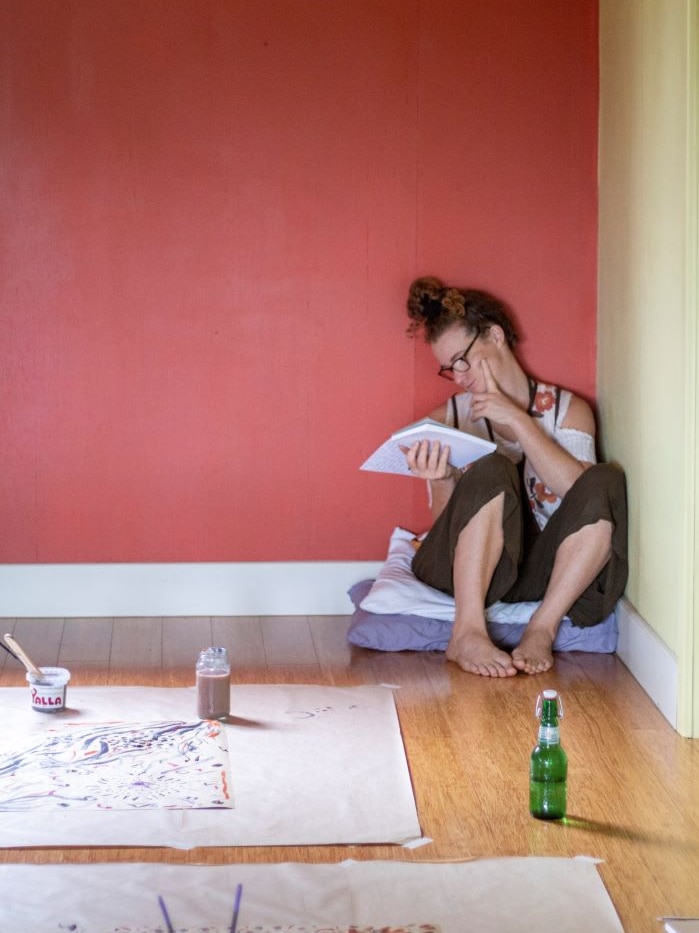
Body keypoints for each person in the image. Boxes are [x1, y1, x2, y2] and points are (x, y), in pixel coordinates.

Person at [403, 277, 628, 677]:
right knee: (493, 467)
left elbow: (585, 500)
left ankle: (542, 626)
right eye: (449, 367)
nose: (460, 375)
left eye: (464, 359)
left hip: (543, 570)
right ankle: (466, 632)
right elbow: (445, 530)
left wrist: (518, 421)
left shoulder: (567, 411)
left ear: (495, 335)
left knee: (605, 480)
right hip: (472, 572)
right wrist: (440, 481)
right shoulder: (446, 420)